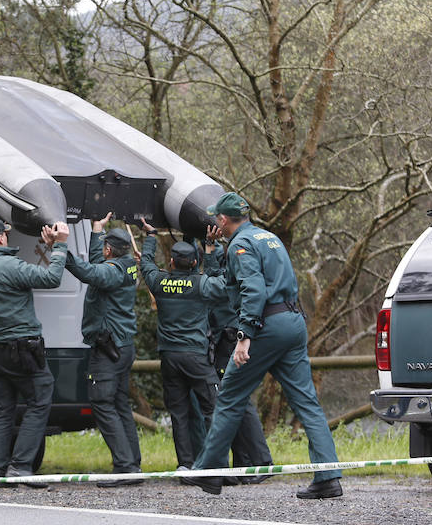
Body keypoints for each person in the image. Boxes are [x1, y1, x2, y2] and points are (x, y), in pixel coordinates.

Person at [186, 193, 342, 499]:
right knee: (307, 402)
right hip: (292, 322)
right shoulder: (268, 237)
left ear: (222, 220)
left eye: (215, 217)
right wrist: (215, 251)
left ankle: (211, 473)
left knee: (230, 395)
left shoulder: (241, 245)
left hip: (264, 326)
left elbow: (253, 290)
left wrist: (244, 337)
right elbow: (232, 284)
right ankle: (328, 476)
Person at [0, 216, 70, 488]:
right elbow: (50, 279)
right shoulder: (9, 265)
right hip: (22, 349)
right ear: (1, 238)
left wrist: (47, 249)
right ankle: (21, 466)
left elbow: (21, 278)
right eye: (6, 235)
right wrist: (59, 246)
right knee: (39, 400)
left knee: (3, 409)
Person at [138, 219, 225, 470]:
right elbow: (218, 280)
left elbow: (146, 265)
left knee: (179, 414)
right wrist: (210, 249)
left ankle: (185, 464)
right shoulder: (201, 284)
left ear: (172, 262)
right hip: (196, 356)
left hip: (170, 358)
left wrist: (151, 236)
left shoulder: (160, 283)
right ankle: (213, 464)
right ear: (195, 263)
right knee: (213, 408)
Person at [65, 212, 142, 487]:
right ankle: (132, 465)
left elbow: (90, 271)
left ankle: (124, 467)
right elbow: (99, 266)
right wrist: (97, 230)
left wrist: (61, 248)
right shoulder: (126, 265)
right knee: (120, 405)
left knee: (103, 404)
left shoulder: (112, 271)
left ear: (109, 250)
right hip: (123, 347)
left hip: (108, 351)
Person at [203, 237, 274, 483]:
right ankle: (243, 465)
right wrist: (210, 249)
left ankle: (262, 462)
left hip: (231, 340)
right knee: (235, 401)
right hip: (232, 338)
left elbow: (213, 284)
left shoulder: (234, 274)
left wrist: (209, 251)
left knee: (239, 401)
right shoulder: (240, 268)